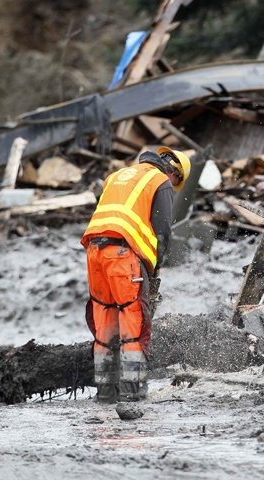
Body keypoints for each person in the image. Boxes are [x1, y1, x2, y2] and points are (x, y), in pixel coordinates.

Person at [81, 147, 190, 403]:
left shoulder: (118, 175)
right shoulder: (159, 180)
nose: (173, 187)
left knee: (105, 320)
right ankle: (132, 393)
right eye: (177, 183)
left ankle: (105, 393)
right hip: (122, 254)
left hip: (94, 252)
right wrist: (153, 271)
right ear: (174, 173)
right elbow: (162, 232)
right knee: (134, 323)